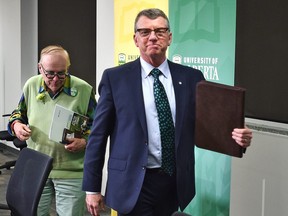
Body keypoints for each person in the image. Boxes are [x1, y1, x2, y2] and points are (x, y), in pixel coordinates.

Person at [82, 8, 253, 216]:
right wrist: (92, 188)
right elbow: (98, 137)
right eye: (145, 32)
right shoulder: (115, 78)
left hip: (173, 181)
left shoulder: (192, 78)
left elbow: (210, 124)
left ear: (169, 38)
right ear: (135, 39)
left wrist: (237, 136)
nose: (153, 36)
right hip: (131, 182)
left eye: (160, 31)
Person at [8, 45, 97, 216]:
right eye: (49, 73)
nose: (55, 79)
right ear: (40, 68)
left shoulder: (84, 89)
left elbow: (98, 126)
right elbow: (18, 113)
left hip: (71, 170)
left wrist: (85, 141)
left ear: (67, 68)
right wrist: (17, 125)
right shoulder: (31, 85)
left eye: (61, 73)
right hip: (37, 167)